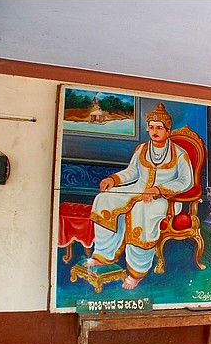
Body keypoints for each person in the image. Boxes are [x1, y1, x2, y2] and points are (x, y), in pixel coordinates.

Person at [83, 102, 194, 289]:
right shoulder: (142, 149)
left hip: (165, 200)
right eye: (151, 127)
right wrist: (114, 179)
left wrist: (159, 189)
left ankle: (136, 272)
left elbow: (185, 181)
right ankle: (103, 255)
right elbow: (132, 172)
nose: (154, 131)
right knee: (103, 199)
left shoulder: (180, 154)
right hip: (136, 190)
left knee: (141, 210)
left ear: (168, 131)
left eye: (159, 128)